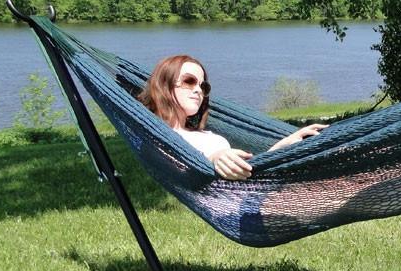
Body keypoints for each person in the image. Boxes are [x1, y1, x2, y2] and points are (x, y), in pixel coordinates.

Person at [138, 55, 326, 181]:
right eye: (189, 81)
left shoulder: (204, 134)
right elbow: (178, 166)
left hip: (257, 190)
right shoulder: (158, 136)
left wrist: (286, 143)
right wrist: (213, 159)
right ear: (165, 86)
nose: (198, 90)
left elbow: (252, 173)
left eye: (203, 87)